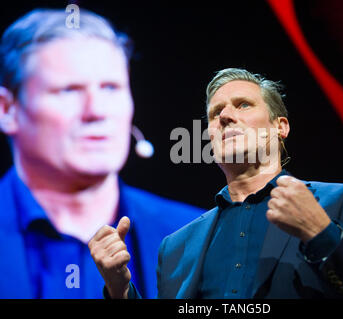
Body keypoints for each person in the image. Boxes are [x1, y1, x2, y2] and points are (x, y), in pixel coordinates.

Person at [89, 68, 343, 298]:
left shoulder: (337, 202)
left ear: (280, 126)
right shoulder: (176, 246)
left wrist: (322, 234)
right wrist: (120, 290)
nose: (225, 116)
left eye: (243, 105)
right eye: (214, 113)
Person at [0, 8, 203, 299]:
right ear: (7, 110)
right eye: (68, 90)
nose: (96, 111)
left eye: (110, 87)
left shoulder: (199, 239)